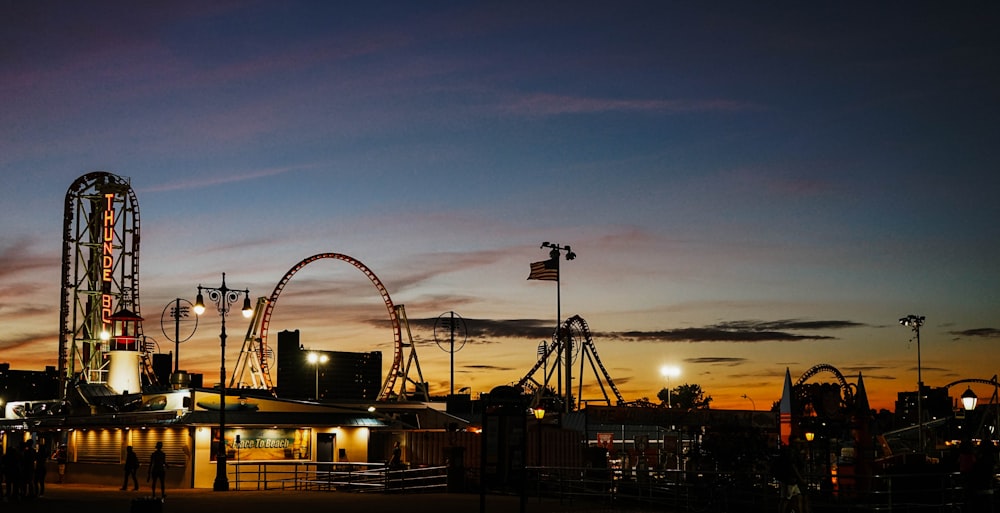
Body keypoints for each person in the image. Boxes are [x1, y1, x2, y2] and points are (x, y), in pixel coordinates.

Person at [775, 441, 809, 513]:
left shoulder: (789, 455)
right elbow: (794, 467)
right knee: (788, 498)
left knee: (794, 497)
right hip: (791, 481)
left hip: (791, 480)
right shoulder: (793, 456)